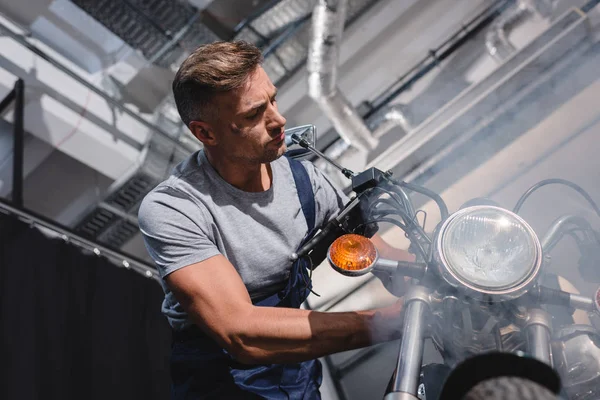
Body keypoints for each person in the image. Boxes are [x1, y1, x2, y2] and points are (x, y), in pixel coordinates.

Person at [138, 40, 414, 399]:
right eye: (254, 114)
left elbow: (382, 255)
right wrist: (383, 323)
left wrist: (446, 279)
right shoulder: (175, 209)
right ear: (205, 133)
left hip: (296, 381)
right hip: (222, 388)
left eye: (273, 99)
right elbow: (243, 333)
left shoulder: (305, 181)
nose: (278, 119)